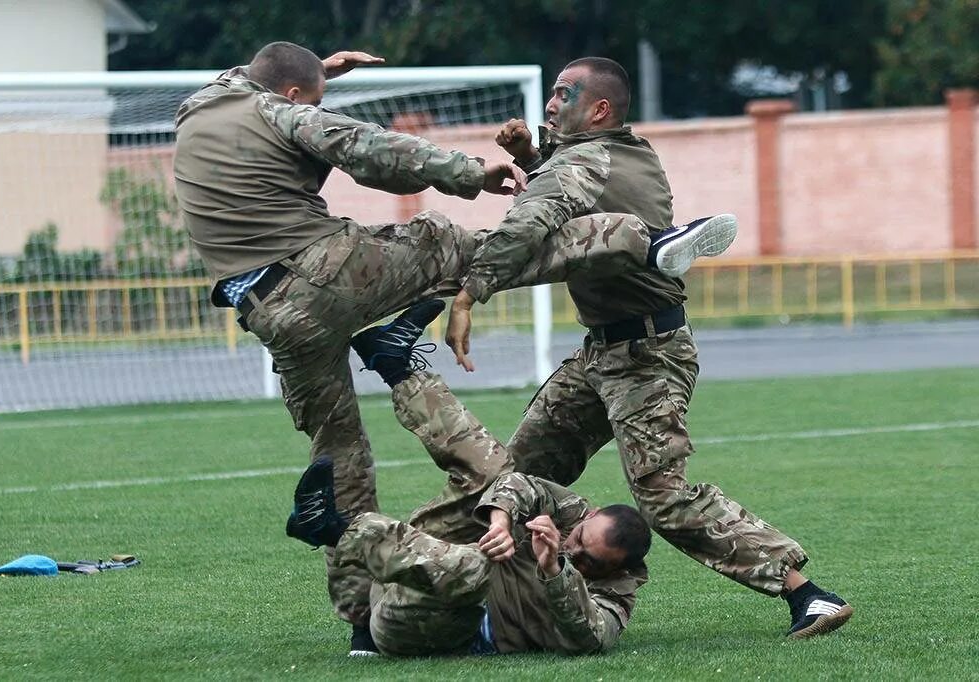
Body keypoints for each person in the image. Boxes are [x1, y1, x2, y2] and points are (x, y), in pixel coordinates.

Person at [174, 42, 737, 653]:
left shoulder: (201, 105)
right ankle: (642, 241)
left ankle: (361, 622)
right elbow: (369, 149)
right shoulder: (286, 113)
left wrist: (319, 73)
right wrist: (472, 173)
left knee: (336, 451)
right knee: (452, 244)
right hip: (318, 273)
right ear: (288, 97)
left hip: (267, 312)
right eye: (311, 96)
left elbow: (251, 77)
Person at [444, 57, 852, 639]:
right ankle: (474, 603)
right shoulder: (627, 153)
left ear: (600, 109)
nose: (551, 104)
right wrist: (533, 159)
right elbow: (570, 189)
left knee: (662, 498)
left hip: (646, 356)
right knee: (517, 477)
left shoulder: (588, 159)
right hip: (602, 354)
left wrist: (470, 290)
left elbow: (536, 217)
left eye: (565, 94)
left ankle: (807, 595)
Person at [286, 316, 653, 656]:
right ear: (590, 515)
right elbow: (517, 484)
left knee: (477, 571)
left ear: (617, 571)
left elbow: (588, 638)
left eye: (591, 561)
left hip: (424, 624)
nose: (574, 551)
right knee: (494, 472)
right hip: (413, 567)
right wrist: (501, 521)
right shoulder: (571, 512)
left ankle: (332, 529)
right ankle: (394, 366)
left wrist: (557, 571)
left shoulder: (616, 595)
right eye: (579, 539)